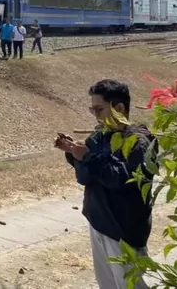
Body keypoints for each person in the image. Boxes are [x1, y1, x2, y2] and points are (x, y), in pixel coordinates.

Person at [54, 80, 155, 289]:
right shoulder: (99, 136)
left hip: (123, 231)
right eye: (92, 109)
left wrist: (87, 157)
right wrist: (73, 152)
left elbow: (123, 179)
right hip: (98, 222)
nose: (95, 115)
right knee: (107, 285)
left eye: (99, 109)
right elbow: (84, 177)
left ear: (119, 108)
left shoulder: (140, 141)